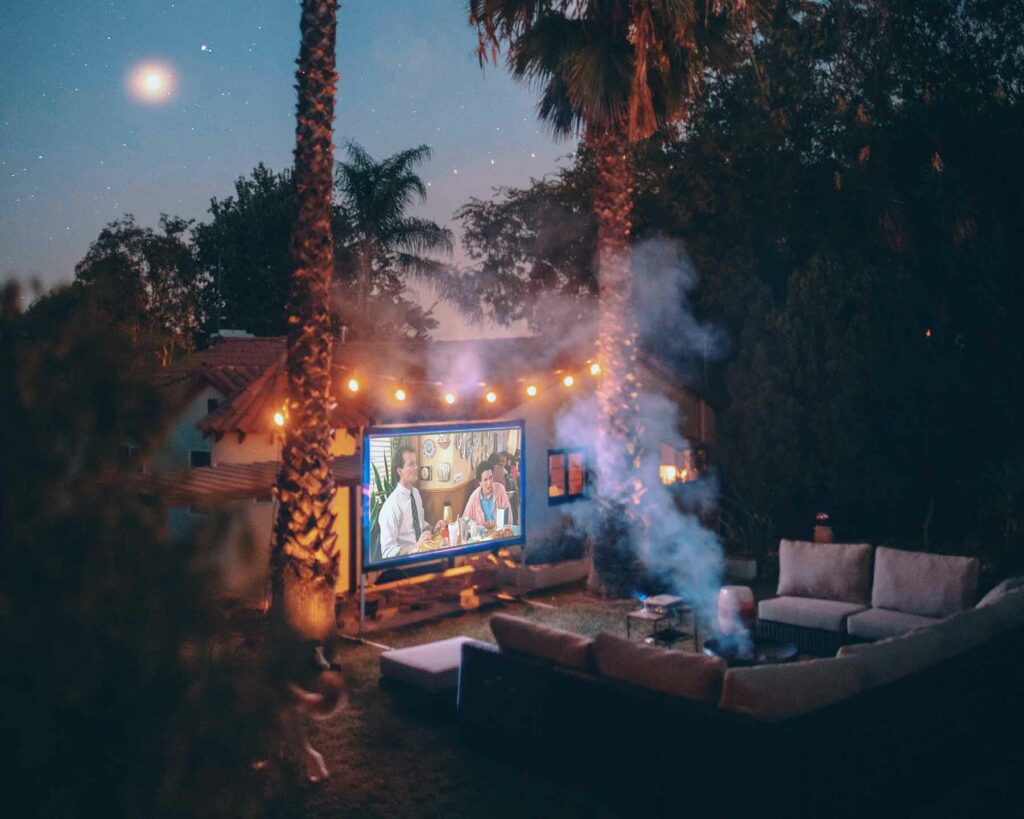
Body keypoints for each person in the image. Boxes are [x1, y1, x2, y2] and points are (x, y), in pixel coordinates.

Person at [378, 445, 443, 559]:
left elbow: (420, 525)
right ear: (400, 471)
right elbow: (387, 552)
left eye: (416, 463)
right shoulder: (391, 506)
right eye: (411, 464)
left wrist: (433, 529)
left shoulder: (416, 494)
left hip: (423, 554)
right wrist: (416, 546)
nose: (416, 467)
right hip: (405, 565)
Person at [462, 459, 513, 530]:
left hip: (499, 534)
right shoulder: (474, 497)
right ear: (480, 482)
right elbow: (465, 520)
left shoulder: (500, 490)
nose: (489, 483)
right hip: (482, 538)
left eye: (491, 477)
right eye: (485, 480)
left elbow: (509, 518)